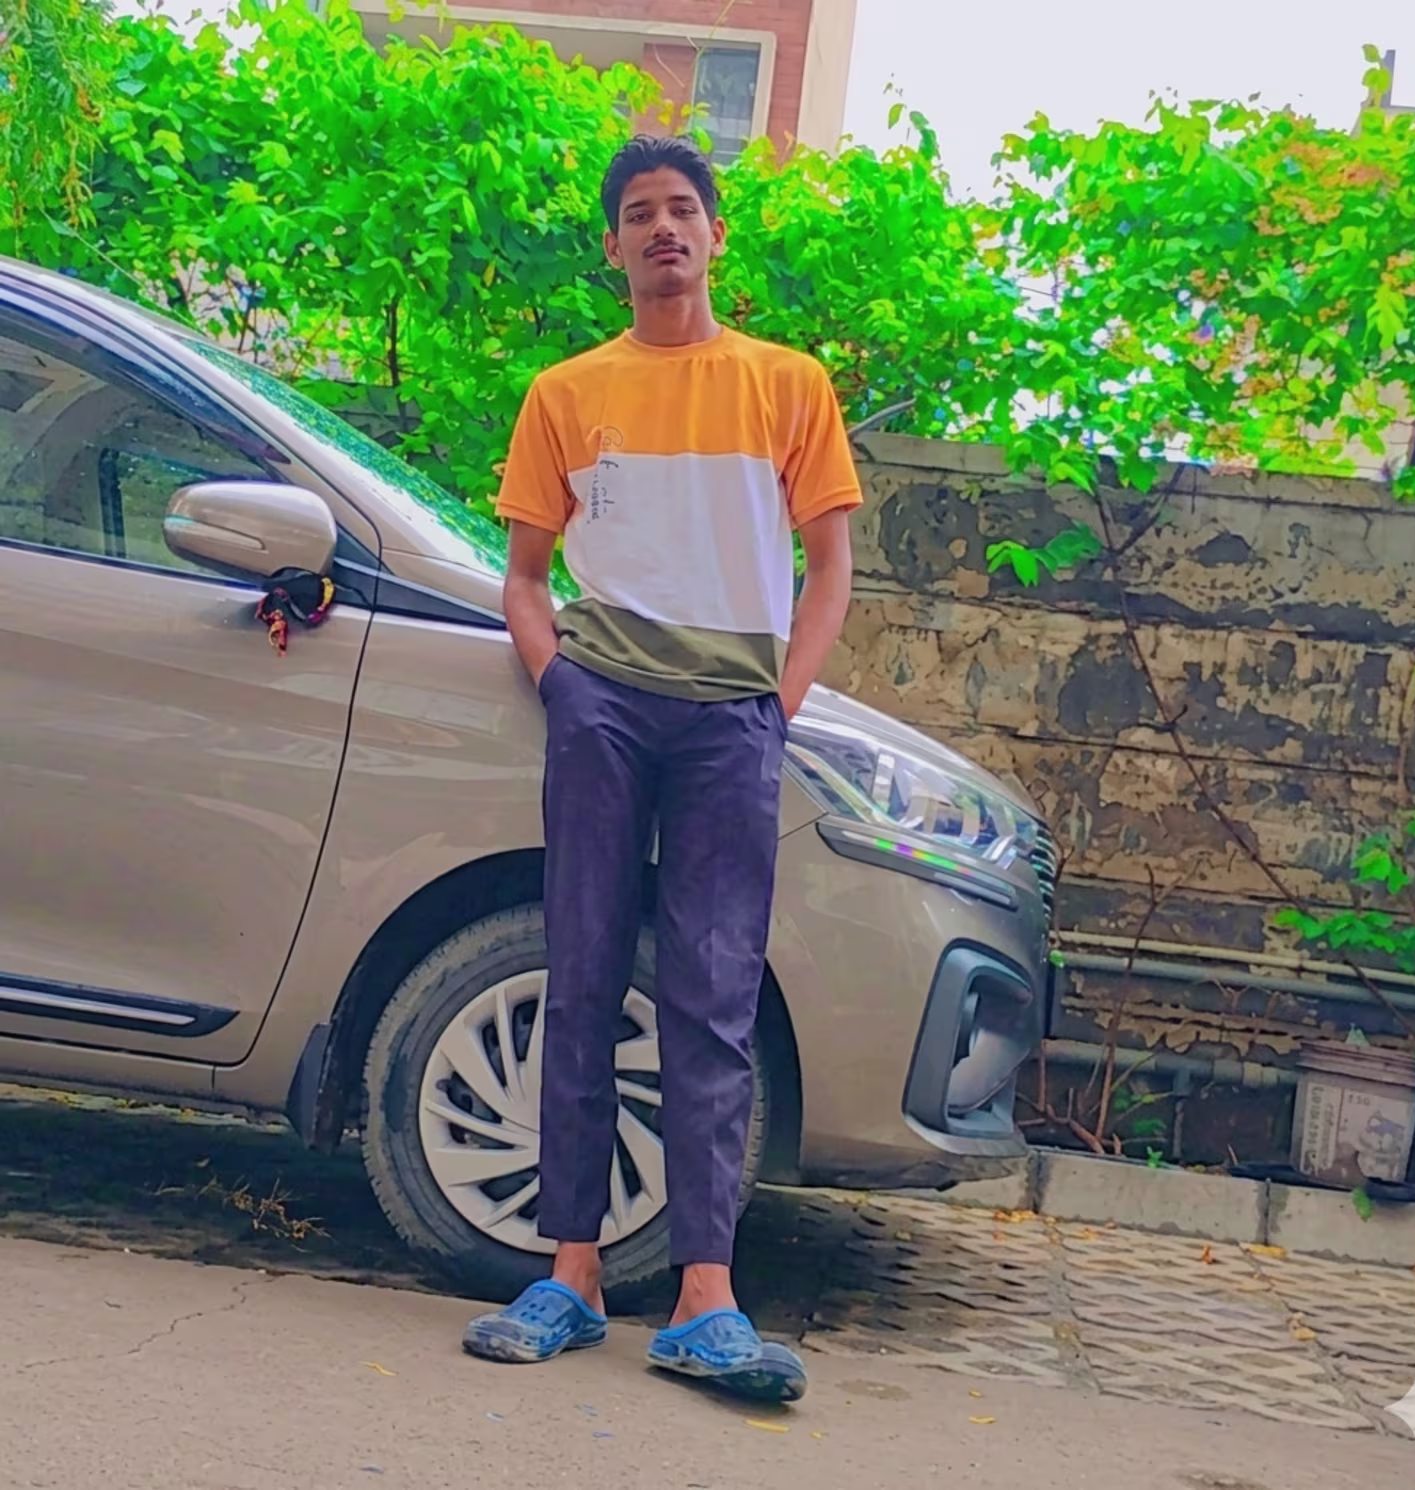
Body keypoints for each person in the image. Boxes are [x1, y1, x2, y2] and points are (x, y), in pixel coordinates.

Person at [461, 134, 862, 1403]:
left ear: (716, 234)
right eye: (640, 213)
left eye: (684, 208)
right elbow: (525, 577)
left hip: (730, 720)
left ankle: (706, 1297)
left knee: (712, 992)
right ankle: (569, 1273)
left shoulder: (786, 383)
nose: (664, 229)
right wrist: (564, 687)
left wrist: (775, 705)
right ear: (614, 245)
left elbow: (831, 565)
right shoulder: (566, 392)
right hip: (606, 710)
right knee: (581, 974)